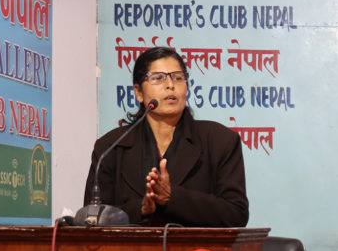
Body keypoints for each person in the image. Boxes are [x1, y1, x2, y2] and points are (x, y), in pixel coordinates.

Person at [84, 46, 248, 227]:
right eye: (158, 78)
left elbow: (236, 213)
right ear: (139, 92)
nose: (170, 85)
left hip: (195, 246)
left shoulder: (220, 141)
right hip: (130, 246)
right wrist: (141, 208)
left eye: (178, 77)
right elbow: (92, 219)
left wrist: (172, 197)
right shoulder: (111, 147)